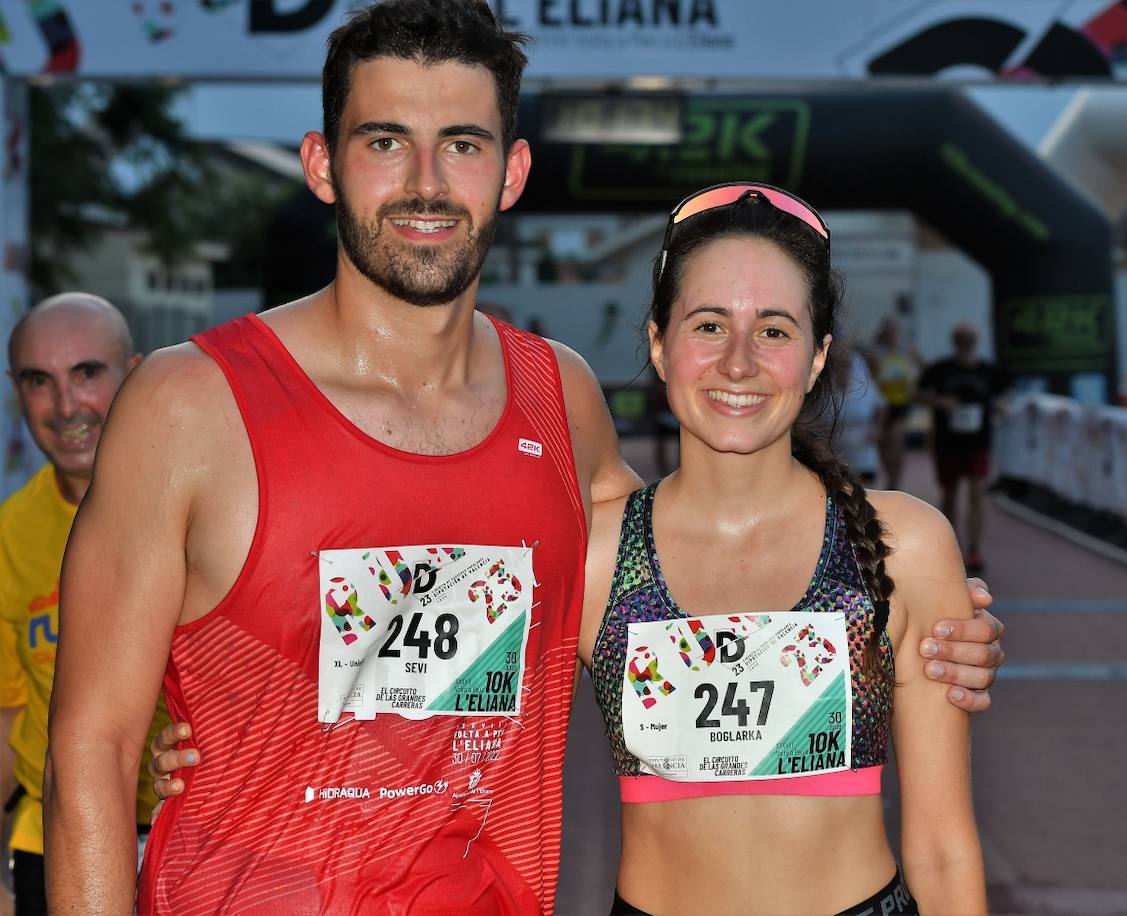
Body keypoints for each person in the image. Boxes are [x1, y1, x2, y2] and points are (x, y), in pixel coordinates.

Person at [53, 3, 1005, 913]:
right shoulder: (188, 406)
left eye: (460, 145)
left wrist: (929, 634)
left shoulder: (560, 399)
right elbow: (89, 751)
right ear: (322, 164)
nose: (425, 183)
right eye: (385, 141)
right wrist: (168, 730)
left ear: (509, 173)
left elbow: (699, 587)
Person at [581, 183, 984, 914]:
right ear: (657, 343)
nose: (739, 362)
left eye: (773, 330)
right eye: (708, 325)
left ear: (819, 354)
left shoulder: (901, 549)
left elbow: (943, 848)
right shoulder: (595, 558)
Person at [1, 294, 172, 916]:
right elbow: (8, 715)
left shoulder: (208, 505)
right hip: (53, 843)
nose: (66, 407)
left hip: (195, 836)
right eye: (39, 381)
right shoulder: (8, 538)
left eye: (87, 374)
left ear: (134, 371)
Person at [917, 323, 1010, 576]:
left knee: (977, 494)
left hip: (979, 441)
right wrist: (941, 402)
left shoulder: (988, 371)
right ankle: (952, 548)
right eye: (962, 338)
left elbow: (1003, 397)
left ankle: (975, 549)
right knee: (949, 493)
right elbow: (919, 394)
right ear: (955, 341)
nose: (966, 342)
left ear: (976, 341)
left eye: (970, 338)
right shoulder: (940, 369)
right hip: (948, 441)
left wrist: (1001, 406)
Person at [866, 316, 921, 491]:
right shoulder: (875, 352)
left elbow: (922, 366)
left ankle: (895, 482)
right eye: (888, 332)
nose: (892, 335)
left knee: (896, 443)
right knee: (883, 446)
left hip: (900, 403)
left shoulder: (906, 350)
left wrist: (913, 383)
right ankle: (891, 476)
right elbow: (869, 376)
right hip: (881, 404)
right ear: (883, 333)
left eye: (894, 332)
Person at [831, 344, 882, 485]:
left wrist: (877, 429)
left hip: (864, 454)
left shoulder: (866, 389)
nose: (843, 371)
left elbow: (881, 407)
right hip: (837, 457)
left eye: (846, 366)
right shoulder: (826, 395)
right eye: (839, 366)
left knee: (866, 494)